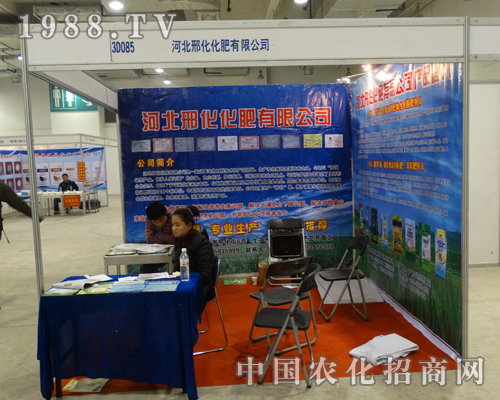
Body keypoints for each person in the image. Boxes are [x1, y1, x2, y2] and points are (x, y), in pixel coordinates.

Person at [171, 206, 215, 299]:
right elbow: (177, 267)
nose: (174, 228)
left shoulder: (201, 242)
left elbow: (205, 275)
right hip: (183, 282)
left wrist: (185, 281)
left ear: (189, 225)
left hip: (199, 286)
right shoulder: (179, 240)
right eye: (172, 225)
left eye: (177, 225)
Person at [139, 201, 174, 273]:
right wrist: (167, 239)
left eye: (161, 220)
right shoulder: (149, 220)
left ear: (166, 213)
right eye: (155, 222)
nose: (159, 224)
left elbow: (174, 240)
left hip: (175, 250)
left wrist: (158, 234)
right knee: (144, 268)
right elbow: (149, 239)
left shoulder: (172, 218)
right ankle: (163, 277)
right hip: (159, 251)